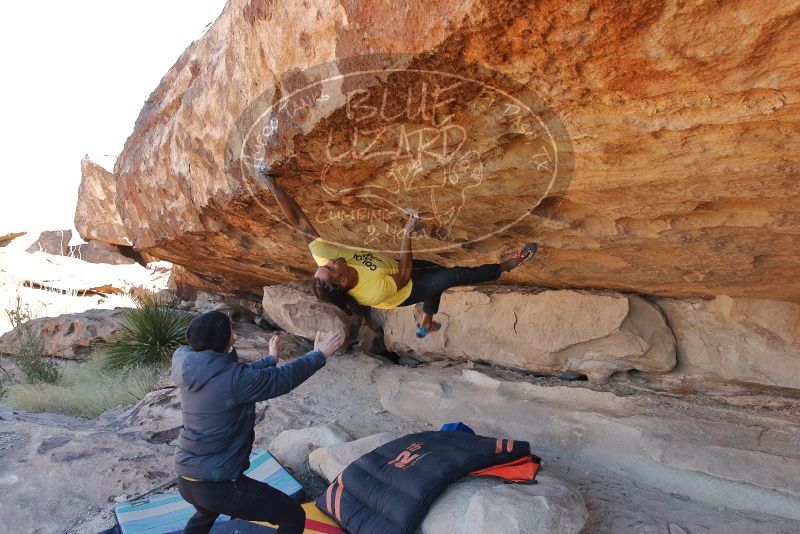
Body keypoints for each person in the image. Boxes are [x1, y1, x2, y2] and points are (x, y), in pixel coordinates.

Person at [257, 166, 538, 338]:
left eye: (326, 264)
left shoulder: (327, 258)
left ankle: (426, 321)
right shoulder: (372, 292)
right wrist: (407, 232)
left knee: (439, 278)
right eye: (330, 268)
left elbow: (300, 223)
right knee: (454, 276)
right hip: (403, 290)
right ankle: (509, 265)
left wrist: (272, 184)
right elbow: (405, 273)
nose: (329, 261)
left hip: (393, 268)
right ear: (342, 282)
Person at [172, 310, 344, 534]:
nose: (233, 332)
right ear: (223, 338)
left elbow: (240, 376)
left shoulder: (192, 367)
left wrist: (270, 359)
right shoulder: (233, 380)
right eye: (230, 329)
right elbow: (282, 379)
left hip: (187, 480)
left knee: (207, 510)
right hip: (217, 484)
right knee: (292, 516)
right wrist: (319, 354)